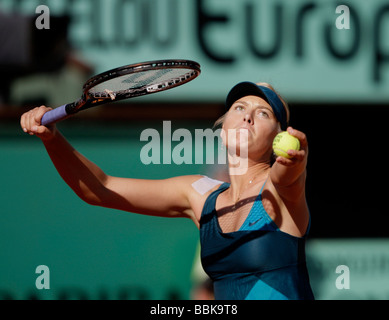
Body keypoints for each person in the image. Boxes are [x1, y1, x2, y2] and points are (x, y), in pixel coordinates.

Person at [20, 81, 314, 300]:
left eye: (263, 113)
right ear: (223, 126)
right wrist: (52, 139)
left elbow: (287, 176)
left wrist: (293, 162)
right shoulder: (199, 194)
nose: (247, 116)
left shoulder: (280, 188)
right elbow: (100, 189)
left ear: (279, 137)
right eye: (239, 108)